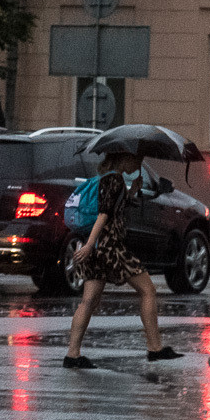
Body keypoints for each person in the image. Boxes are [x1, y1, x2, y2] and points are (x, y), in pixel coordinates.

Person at [65, 151, 184, 368]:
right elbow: (104, 214)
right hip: (111, 249)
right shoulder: (114, 179)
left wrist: (133, 191)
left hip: (97, 249)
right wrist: (91, 245)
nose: (138, 163)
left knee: (88, 301)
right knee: (148, 290)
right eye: (135, 159)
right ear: (122, 159)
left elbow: (112, 207)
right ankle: (155, 348)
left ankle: (72, 355)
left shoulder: (107, 179)